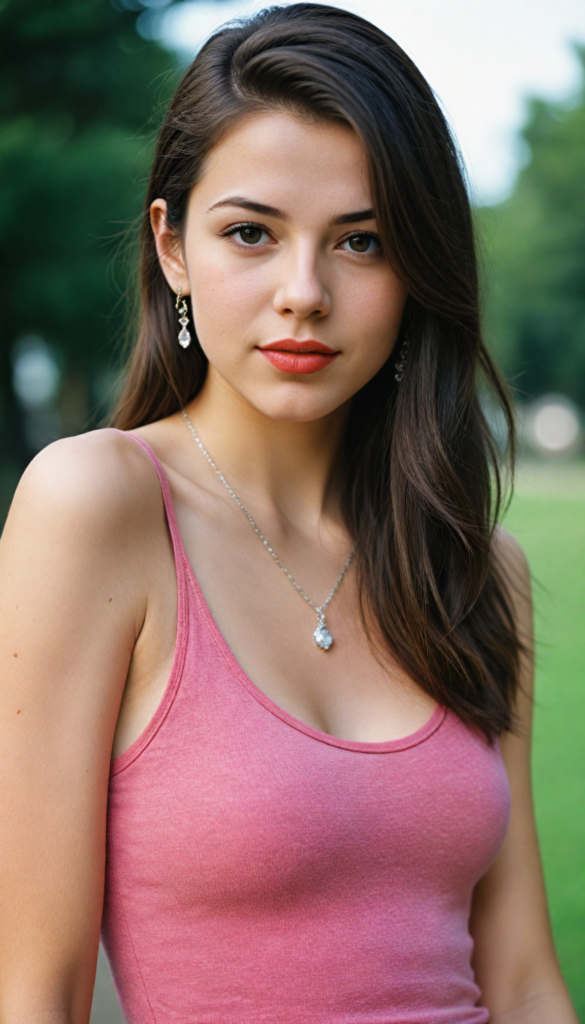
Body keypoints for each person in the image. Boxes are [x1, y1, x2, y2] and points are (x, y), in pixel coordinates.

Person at [0, 4, 578, 1022]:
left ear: (415, 272)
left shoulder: (478, 567)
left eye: (361, 241)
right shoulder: (97, 507)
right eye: (252, 234)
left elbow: (525, 978)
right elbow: (37, 990)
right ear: (173, 247)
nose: (303, 292)